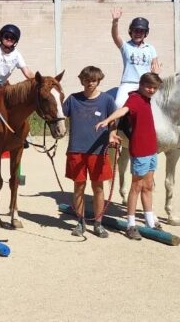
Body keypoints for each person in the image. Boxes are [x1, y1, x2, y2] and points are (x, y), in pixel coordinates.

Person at [95, 72, 163, 240]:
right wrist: (107, 120)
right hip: (140, 151)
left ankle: (149, 221)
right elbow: (123, 110)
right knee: (136, 187)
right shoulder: (135, 98)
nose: (152, 90)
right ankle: (131, 224)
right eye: (149, 87)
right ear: (140, 85)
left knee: (148, 186)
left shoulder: (147, 99)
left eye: (154, 88)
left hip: (151, 150)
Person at [62, 66, 118, 238]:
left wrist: (112, 134)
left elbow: (114, 120)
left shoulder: (107, 100)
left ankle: (99, 223)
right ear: (81, 80)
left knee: (98, 187)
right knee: (78, 186)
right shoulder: (73, 99)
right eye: (86, 80)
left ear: (98, 80)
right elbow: (58, 114)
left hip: (98, 151)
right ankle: (80, 222)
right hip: (76, 150)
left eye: (93, 80)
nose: (90, 83)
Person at [110, 8, 162, 107]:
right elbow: (115, 36)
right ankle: (115, 123)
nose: (138, 33)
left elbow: (155, 66)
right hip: (128, 83)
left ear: (145, 33)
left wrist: (156, 74)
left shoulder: (150, 48)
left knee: (154, 107)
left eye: (141, 31)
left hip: (145, 84)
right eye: (136, 30)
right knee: (118, 104)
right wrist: (115, 22)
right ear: (131, 31)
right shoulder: (125, 46)